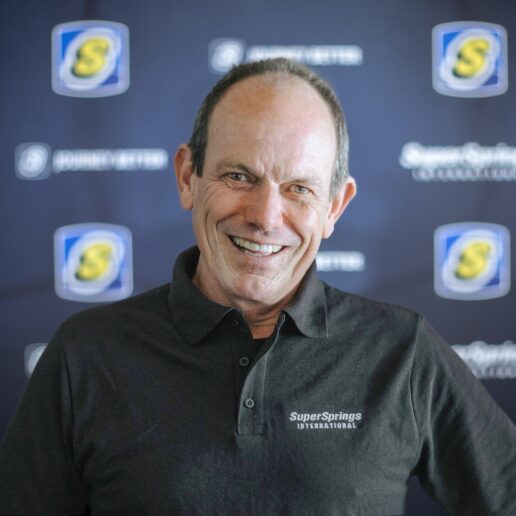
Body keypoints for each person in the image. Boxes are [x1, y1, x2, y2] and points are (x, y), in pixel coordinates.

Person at [0, 58, 515, 515]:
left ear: (335, 206)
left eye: (299, 189)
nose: (266, 217)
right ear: (187, 177)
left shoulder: (403, 352)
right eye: (240, 177)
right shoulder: (86, 354)